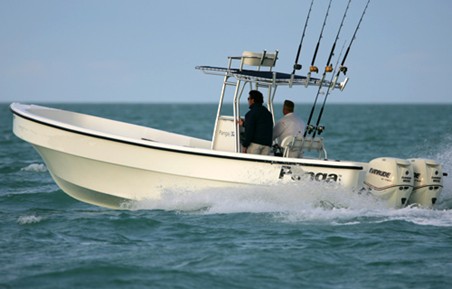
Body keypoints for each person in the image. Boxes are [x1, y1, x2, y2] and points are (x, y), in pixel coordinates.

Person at [239, 90, 273, 155]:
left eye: (249, 98)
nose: (248, 100)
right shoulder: (268, 114)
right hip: (267, 146)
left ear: (253, 100)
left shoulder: (250, 114)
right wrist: (244, 124)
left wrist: (245, 145)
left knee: (251, 165)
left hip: (255, 146)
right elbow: (260, 126)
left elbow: (249, 132)